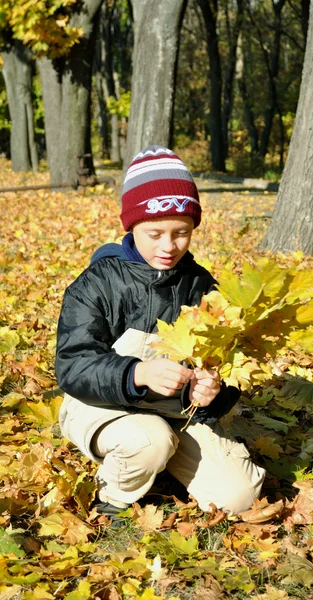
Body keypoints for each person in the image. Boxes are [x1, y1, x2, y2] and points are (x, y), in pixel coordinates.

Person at [56, 145, 265, 517]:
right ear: (131, 225)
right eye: (154, 233)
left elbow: (227, 364)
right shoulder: (98, 283)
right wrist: (135, 372)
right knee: (149, 440)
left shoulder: (203, 287)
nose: (169, 247)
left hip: (174, 411)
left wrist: (212, 391)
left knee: (238, 497)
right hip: (99, 405)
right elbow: (73, 365)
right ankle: (114, 496)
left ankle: (161, 460)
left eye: (181, 233)